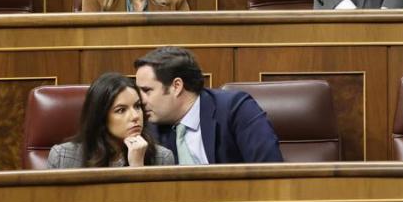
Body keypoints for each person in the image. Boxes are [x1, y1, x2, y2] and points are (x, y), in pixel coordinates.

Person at [135, 46, 282, 164]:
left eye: (147, 91)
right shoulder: (150, 127)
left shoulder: (235, 110)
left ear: (176, 86)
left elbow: (270, 170)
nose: (140, 100)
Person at [47, 72, 175, 168]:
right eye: (121, 110)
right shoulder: (62, 157)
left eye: (137, 106)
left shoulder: (162, 158)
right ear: (101, 117)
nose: (135, 116)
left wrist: (137, 166)